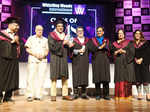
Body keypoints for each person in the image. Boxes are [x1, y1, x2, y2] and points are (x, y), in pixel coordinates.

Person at [48, 18, 73, 101]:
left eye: (62, 26)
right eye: (59, 26)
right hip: (55, 57)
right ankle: (53, 95)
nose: (60, 27)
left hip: (63, 58)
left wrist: (70, 46)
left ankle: (65, 94)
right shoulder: (51, 35)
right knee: (54, 77)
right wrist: (63, 43)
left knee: (64, 77)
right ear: (56, 27)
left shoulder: (66, 36)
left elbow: (68, 47)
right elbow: (52, 47)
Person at [25, 25, 49, 101]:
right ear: (35, 30)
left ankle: (38, 95)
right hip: (33, 60)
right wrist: (35, 54)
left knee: (41, 78)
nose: (39, 31)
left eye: (41, 30)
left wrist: (44, 54)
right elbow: (27, 49)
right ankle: (29, 95)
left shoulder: (45, 40)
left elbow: (47, 50)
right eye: (38, 29)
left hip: (43, 60)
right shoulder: (31, 38)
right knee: (30, 77)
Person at [0, 17, 20, 103]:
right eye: (16, 25)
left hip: (13, 59)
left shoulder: (16, 36)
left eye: (18, 25)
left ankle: (8, 96)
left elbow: (19, 47)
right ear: (10, 25)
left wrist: (17, 42)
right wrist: (11, 42)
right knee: (2, 77)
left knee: (12, 77)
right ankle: (0, 96)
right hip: (3, 59)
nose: (17, 27)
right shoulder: (2, 34)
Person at [111, 29, 135, 100]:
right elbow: (112, 53)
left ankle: (127, 95)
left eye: (121, 33)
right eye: (119, 33)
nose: (120, 34)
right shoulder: (114, 44)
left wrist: (124, 51)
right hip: (118, 63)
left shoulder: (129, 42)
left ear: (124, 34)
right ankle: (119, 95)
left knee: (127, 78)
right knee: (119, 77)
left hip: (126, 63)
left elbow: (132, 53)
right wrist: (116, 52)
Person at [91, 27, 110, 100]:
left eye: (100, 31)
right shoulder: (93, 40)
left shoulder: (107, 40)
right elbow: (91, 48)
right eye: (97, 31)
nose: (98, 32)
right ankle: (98, 94)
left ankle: (106, 94)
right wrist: (100, 47)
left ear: (103, 32)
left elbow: (110, 48)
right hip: (96, 60)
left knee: (105, 77)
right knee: (97, 77)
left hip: (105, 60)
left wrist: (104, 46)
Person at [71, 26, 90, 100]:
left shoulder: (87, 40)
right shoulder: (73, 40)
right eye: (78, 31)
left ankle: (84, 93)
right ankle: (75, 93)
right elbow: (70, 50)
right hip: (76, 60)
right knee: (76, 75)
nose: (80, 32)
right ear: (76, 32)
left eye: (81, 31)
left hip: (85, 60)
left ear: (83, 31)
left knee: (84, 75)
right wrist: (78, 51)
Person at [133, 30, 150, 101]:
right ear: (134, 35)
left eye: (138, 34)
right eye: (136, 34)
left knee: (145, 79)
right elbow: (131, 53)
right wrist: (135, 59)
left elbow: (147, 52)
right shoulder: (132, 44)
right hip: (135, 63)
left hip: (144, 63)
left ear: (141, 35)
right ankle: (139, 94)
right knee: (138, 79)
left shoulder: (145, 43)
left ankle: (148, 94)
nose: (137, 35)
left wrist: (141, 59)